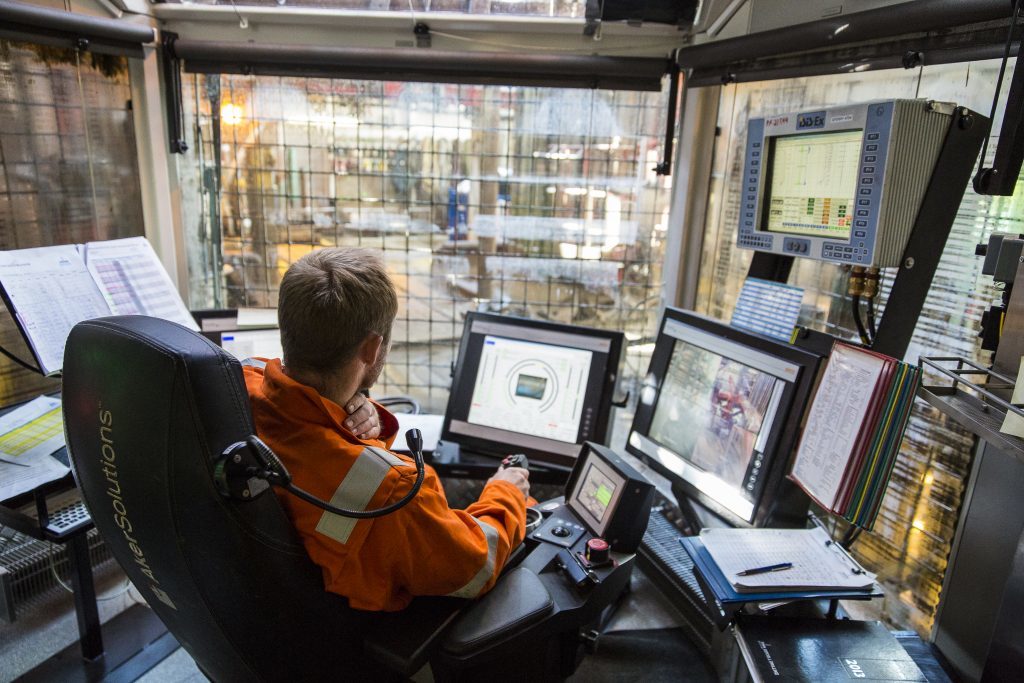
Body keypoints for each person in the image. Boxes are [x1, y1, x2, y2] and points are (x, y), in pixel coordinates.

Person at [242, 247, 531, 611]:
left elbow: (310, 423)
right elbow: (477, 566)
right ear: (372, 347)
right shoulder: (394, 490)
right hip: (360, 638)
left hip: (267, 610)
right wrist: (507, 492)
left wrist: (360, 405)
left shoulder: (236, 381)